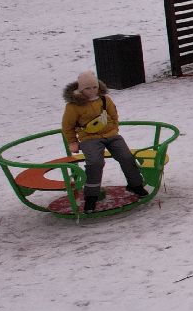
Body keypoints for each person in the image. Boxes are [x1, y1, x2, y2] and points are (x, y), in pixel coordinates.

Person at [62, 70, 147, 212]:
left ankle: (135, 185)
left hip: (111, 134)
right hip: (89, 138)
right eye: (87, 88)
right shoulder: (73, 106)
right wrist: (73, 142)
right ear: (81, 89)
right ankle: (91, 197)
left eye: (94, 87)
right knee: (95, 163)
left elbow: (113, 114)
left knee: (126, 156)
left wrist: (113, 128)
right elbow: (67, 126)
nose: (92, 91)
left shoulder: (104, 99)